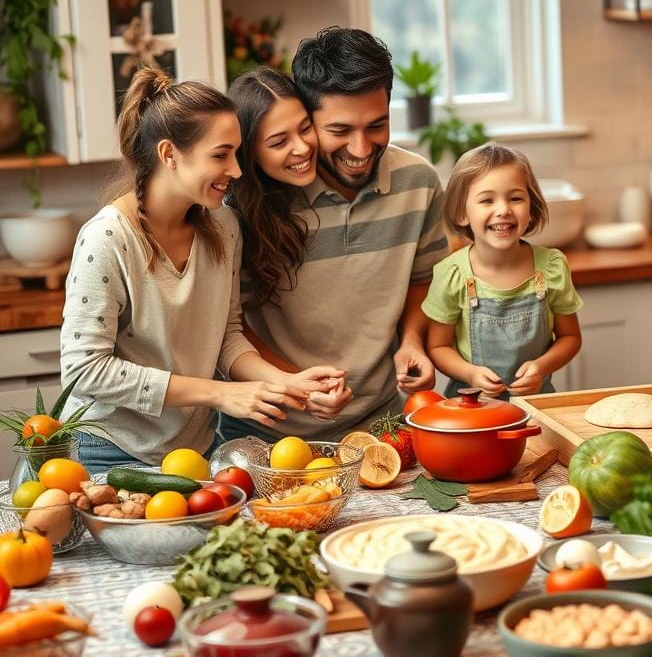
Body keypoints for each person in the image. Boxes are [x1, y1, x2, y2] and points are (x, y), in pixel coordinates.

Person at [60, 68, 343, 472]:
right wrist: (219, 394)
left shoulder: (224, 228)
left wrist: (284, 382)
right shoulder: (107, 239)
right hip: (110, 449)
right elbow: (84, 370)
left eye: (236, 153)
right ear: (169, 154)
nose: (238, 170)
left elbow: (225, 335)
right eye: (220, 155)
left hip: (194, 448)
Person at [235, 28, 447, 437]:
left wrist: (413, 342)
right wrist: (296, 390)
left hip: (383, 423)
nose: (362, 148)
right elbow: (230, 325)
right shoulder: (253, 202)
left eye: (377, 125)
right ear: (307, 120)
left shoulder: (418, 182)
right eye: (339, 131)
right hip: (267, 430)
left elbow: (424, 278)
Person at [217, 67, 353, 443]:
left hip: (347, 425)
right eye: (279, 142)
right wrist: (295, 385)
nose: (302, 147)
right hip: (259, 433)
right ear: (248, 153)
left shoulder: (334, 188)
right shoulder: (228, 221)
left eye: (305, 128)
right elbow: (230, 330)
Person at [423, 143, 583, 399]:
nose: (503, 210)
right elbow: (438, 346)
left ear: (531, 208)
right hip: (471, 408)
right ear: (462, 213)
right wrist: (470, 373)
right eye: (487, 200)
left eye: (516, 198)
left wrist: (541, 368)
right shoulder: (451, 274)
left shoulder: (552, 267)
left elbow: (571, 337)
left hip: (537, 406)